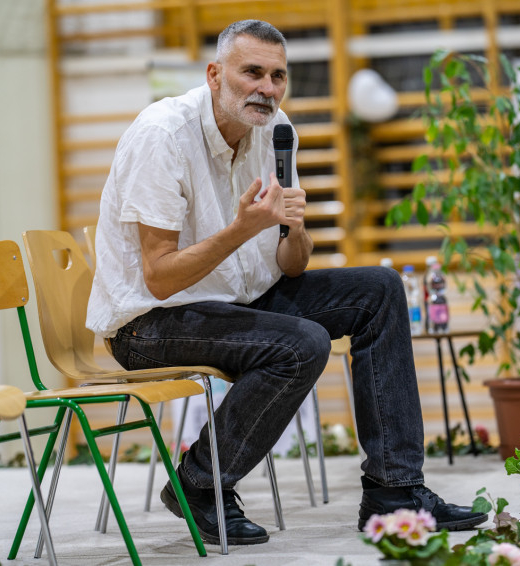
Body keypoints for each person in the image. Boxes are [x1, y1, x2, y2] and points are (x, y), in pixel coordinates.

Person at [86, 19, 487, 546]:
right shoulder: (161, 136)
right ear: (214, 75)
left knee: (381, 290)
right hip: (149, 324)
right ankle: (200, 482)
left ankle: (394, 489)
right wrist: (241, 229)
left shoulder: (277, 132)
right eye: (252, 72)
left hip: (237, 303)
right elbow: (159, 277)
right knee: (302, 343)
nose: (267, 88)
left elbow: (291, 265)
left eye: (278, 76)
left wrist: (295, 230)